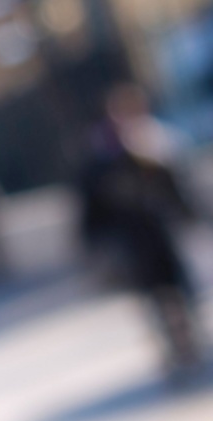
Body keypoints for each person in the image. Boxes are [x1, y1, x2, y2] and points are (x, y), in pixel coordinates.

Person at [79, 83, 206, 375]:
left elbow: (181, 190)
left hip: (166, 236)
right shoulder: (100, 160)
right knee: (155, 299)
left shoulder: (159, 146)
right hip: (132, 243)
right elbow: (92, 209)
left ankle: (190, 341)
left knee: (181, 291)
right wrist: (96, 246)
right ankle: (173, 347)